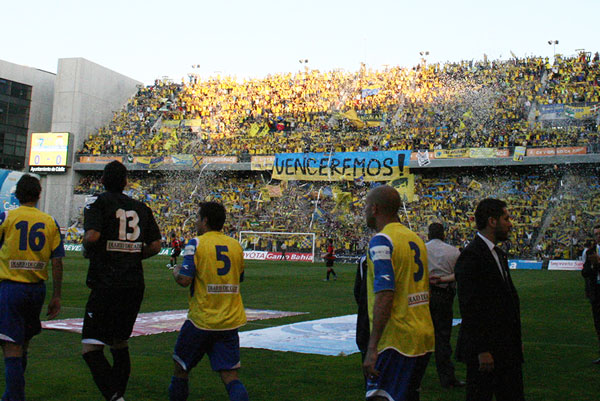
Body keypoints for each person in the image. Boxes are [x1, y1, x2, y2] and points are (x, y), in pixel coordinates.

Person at [81, 161, 162, 401]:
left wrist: (88, 248)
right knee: (120, 344)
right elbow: (156, 245)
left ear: (103, 181)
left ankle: (114, 397)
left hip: (107, 283)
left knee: (90, 347)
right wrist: (133, 254)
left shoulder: (98, 203)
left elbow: (92, 235)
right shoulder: (141, 207)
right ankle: (118, 395)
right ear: (126, 182)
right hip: (133, 284)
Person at [169, 202, 249, 401]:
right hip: (229, 321)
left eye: (197, 218)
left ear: (205, 220)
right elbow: (239, 277)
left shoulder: (196, 243)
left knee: (181, 369)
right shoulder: (235, 246)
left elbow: (184, 280)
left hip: (201, 320)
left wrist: (176, 271)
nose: (196, 222)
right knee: (230, 376)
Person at [362, 185, 434, 401]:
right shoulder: (416, 239)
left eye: (365, 206)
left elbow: (385, 293)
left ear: (374, 209)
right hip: (422, 335)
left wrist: (372, 346)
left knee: (380, 397)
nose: (364, 211)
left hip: (396, 339)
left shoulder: (382, 241)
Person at [0, 174, 64, 400]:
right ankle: (12, 395)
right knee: (23, 344)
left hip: (11, 288)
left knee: (11, 347)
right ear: (39, 195)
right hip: (37, 290)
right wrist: (56, 295)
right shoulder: (50, 221)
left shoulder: (7, 217)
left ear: (17, 195)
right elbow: (57, 261)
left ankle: (15, 396)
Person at [455, 198, 524, 401]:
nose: (510, 223)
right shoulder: (472, 256)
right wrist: (482, 349)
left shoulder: (498, 254)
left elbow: (508, 301)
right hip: (487, 352)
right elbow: (470, 307)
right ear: (492, 221)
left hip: (506, 348)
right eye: (506, 218)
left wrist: (515, 339)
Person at [425, 222, 465, 389]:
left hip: (425, 296)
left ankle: (413, 375)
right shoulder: (453, 251)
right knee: (442, 338)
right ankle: (447, 378)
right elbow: (458, 274)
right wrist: (441, 279)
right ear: (443, 234)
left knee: (423, 336)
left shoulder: (421, 249)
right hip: (444, 295)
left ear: (429, 235)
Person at [581, 225, 600, 364]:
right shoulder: (590, 252)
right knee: (598, 324)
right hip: (596, 292)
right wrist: (593, 266)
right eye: (596, 234)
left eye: (599, 233)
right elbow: (585, 272)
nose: (597, 236)